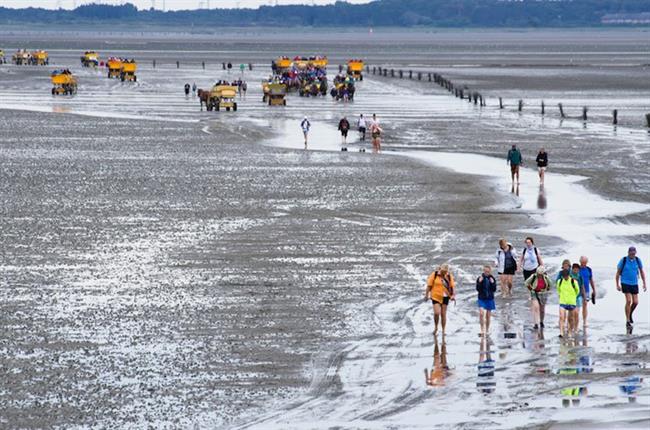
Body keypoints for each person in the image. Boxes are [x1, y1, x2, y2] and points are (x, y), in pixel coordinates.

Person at [616, 246, 647, 330]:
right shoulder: (624, 260)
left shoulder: (637, 260)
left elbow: (641, 271)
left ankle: (629, 314)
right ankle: (628, 320)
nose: (632, 254)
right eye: (631, 253)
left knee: (636, 302)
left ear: (635, 252)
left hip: (634, 283)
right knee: (629, 300)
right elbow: (618, 273)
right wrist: (617, 284)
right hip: (625, 282)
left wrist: (644, 283)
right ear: (628, 252)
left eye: (634, 253)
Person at [424, 264, 456, 336]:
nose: (444, 273)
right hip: (436, 296)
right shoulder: (435, 274)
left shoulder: (448, 276)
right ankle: (436, 328)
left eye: (446, 271)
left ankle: (444, 330)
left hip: (445, 297)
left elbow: (452, 286)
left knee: (443, 314)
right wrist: (426, 295)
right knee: (436, 313)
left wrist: (453, 295)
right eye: (443, 271)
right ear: (440, 270)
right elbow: (429, 285)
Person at [525, 265, 552, 330]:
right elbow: (526, 283)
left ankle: (541, 321)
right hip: (534, 293)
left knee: (542, 310)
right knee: (536, 307)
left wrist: (546, 290)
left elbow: (550, 284)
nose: (539, 275)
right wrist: (531, 289)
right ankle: (536, 323)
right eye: (538, 274)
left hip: (543, 294)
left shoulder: (546, 278)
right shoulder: (533, 276)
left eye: (540, 274)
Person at [557, 269, 580, 338]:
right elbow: (558, 290)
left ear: (568, 275)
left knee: (571, 319)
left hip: (571, 302)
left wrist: (572, 297)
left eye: (566, 276)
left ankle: (570, 331)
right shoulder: (560, 281)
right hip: (562, 301)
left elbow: (577, 291)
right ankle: (561, 332)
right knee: (561, 317)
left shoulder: (573, 281)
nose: (565, 277)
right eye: (564, 276)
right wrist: (562, 296)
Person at [476, 265, 497, 336]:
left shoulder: (492, 278)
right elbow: (478, 289)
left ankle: (487, 329)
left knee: (488, 316)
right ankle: (482, 329)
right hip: (481, 298)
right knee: (481, 313)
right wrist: (479, 282)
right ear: (483, 271)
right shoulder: (480, 278)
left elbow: (494, 289)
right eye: (485, 271)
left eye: (488, 272)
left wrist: (492, 283)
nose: (486, 273)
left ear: (490, 272)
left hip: (490, 298)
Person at [579, 256, 596, 326]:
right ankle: (574, 320)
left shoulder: (589, 269)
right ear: (580, 262)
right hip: (578, 290)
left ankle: (584, 321)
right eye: (582, 263)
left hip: (586, 290)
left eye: (585, 263)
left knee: (585, 305)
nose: (584, 264)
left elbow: (591, 280)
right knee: (576, 306)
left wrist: (594, 289)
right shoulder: (576, 269)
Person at [571, 263, 586, 331]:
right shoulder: (569, 276)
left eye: (577, 270)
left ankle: (576, 328)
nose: (576, 271)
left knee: (576, 313)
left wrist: (584, 297)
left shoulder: (580, 277)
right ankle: (572, 326)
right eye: (575, 270)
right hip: (570, 297)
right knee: (572, 313)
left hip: (578, 296)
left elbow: (582, 287)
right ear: (572, 269)